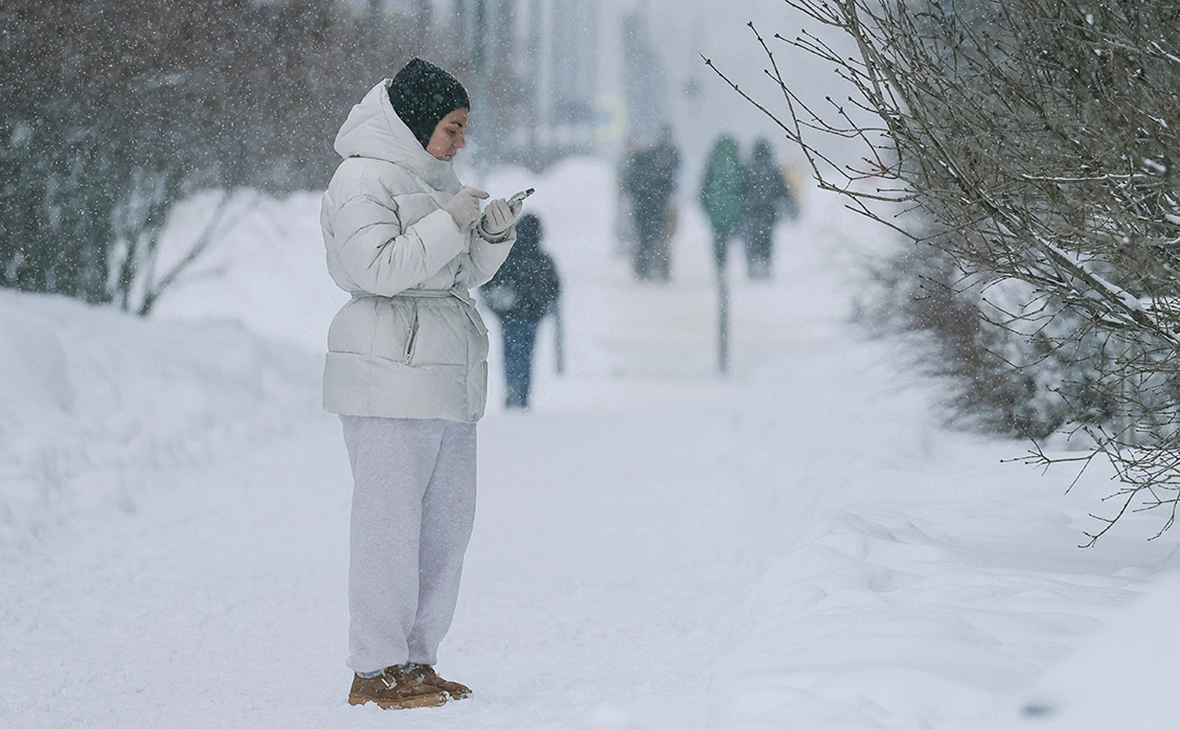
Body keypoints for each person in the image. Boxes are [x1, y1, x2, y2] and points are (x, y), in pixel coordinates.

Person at [319, 57, 522, 710]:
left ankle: (415, 658)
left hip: (446, 378)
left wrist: (488, 238)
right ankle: (373, 669)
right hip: (389, 376)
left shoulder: (433, 177)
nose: (461, 143)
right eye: (453, 128)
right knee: (388, 530)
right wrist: (450, 221)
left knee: (444, 530)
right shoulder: (360, 179)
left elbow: (451, 273)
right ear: (416, 121)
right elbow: (377, 268)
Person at [481, 213, 561, 409]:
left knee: (510, 354)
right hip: (532, 317)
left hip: (509, 316)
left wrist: (498, 304)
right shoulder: (542, 258)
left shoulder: (507, 256)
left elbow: (488, 282)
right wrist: (542, 306)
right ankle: (522, 394)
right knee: (526, 355)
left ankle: (512, 390)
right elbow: (555, 287)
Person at [621, 126, 681, 281]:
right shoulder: (658, 168)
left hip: (642, 210)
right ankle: (662, 270)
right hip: (657, 210)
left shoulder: (637, 169)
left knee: (643, 240)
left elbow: (629, 187)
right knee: (660, 240)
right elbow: (668, 186)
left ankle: (643, 269)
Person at [742, 138, 797, 279]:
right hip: (769, 212)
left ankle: (752, 266)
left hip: (751, 211)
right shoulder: (773, 169)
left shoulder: (749, 168)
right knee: (767, 239)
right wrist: (791, 208)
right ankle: (766, 264)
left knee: (752, 239)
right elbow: (783, 190)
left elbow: (742, 190)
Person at [699, 133, 745, 276]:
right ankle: (739, 268)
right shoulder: (737, 162)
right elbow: (744, 187)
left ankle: (721, 264)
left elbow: (704, 189)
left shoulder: (712, 163)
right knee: (735, 238)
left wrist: (707, 207)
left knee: (719, 238)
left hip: (716, 211)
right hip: (734, 209)